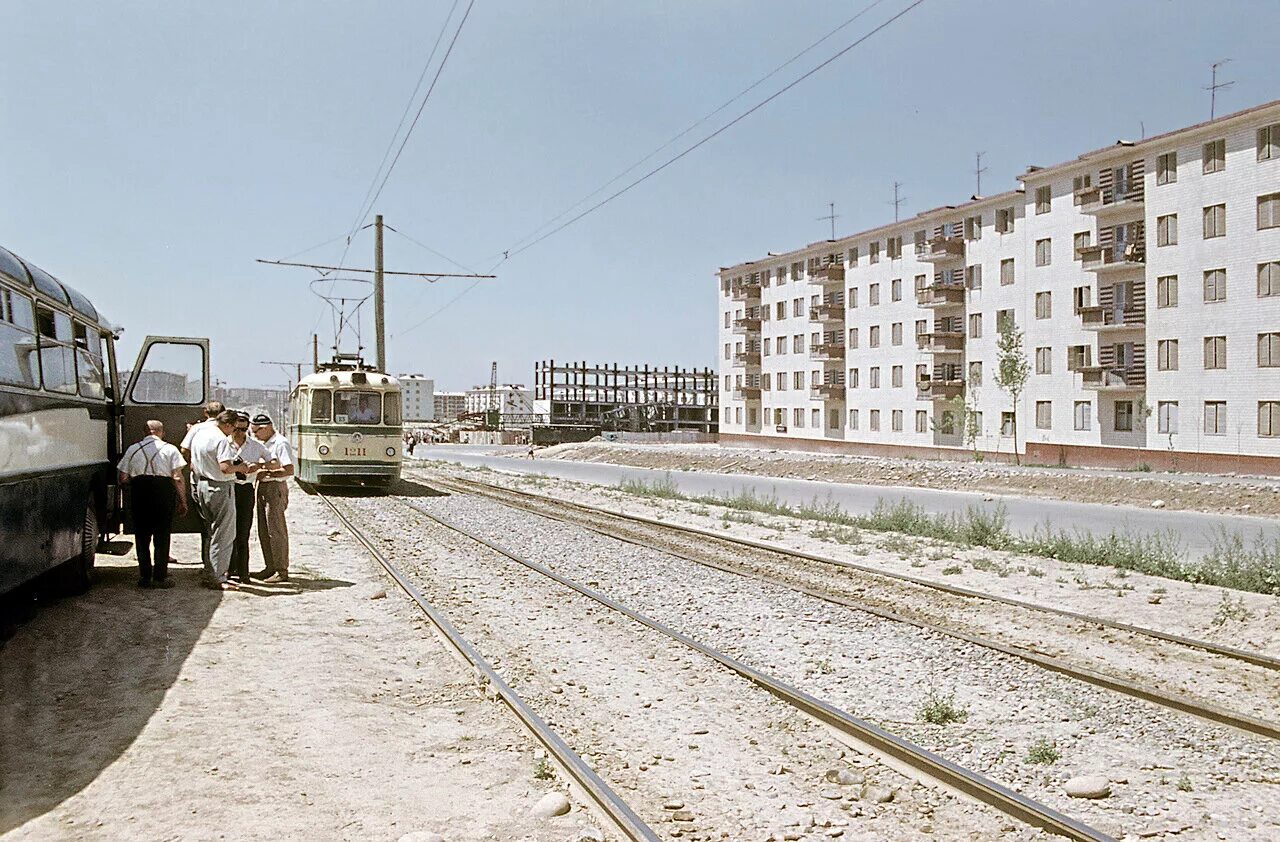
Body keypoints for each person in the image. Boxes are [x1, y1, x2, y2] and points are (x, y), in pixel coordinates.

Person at [188, 409, 260, 589]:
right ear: (228, 425)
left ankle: (209, 571)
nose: (234, 433)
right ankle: (218, 577)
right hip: (220, 486)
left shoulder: (200, 433)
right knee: (224, 534)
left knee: (211, 532)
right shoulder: (220, 439)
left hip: (202, 484)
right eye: (234, 428)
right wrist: (242, 468)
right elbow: (225, 467)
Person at [117, 420, 188, 588]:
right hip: (163, 493)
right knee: (162, 536)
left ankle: (144, 577)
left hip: (140, 493)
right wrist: (183, 500)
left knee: (142, 537)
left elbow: (123, 478)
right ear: (161, 432)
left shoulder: (133, 449)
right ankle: (160, 577)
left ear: (145, 432)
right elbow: (177, 477)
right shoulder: (170, 449)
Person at [180, 399, 225, 566]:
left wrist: (193, 462)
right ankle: (221, 565)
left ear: (206, 413)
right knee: (222, 526)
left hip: (199, 480)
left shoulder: (198, 428)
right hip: (222, 480)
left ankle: (207, 562)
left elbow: (184, 449)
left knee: (205, 525)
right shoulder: (223, 429)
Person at [251, 413, 294, 583]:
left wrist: (267, 473)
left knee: (276, 530)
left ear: (266, 428)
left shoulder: (280, 443)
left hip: (275, 487)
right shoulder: (264, 443)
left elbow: (289, 469)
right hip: (264, 487)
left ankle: (281, 570)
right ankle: (270, 566)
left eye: (256, 432)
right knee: (264, 530)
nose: (255, 435)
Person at [227, 411, 269, 584]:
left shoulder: (255, 445)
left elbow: (273, 461)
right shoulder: (223, 443)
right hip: (229, 488)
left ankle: (243, 572)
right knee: (228, 532)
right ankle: (229, 570)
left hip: (245, 490)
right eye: (237, 429)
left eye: (244, 429)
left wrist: (258, 466)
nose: (240, 433)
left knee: (243, 532)